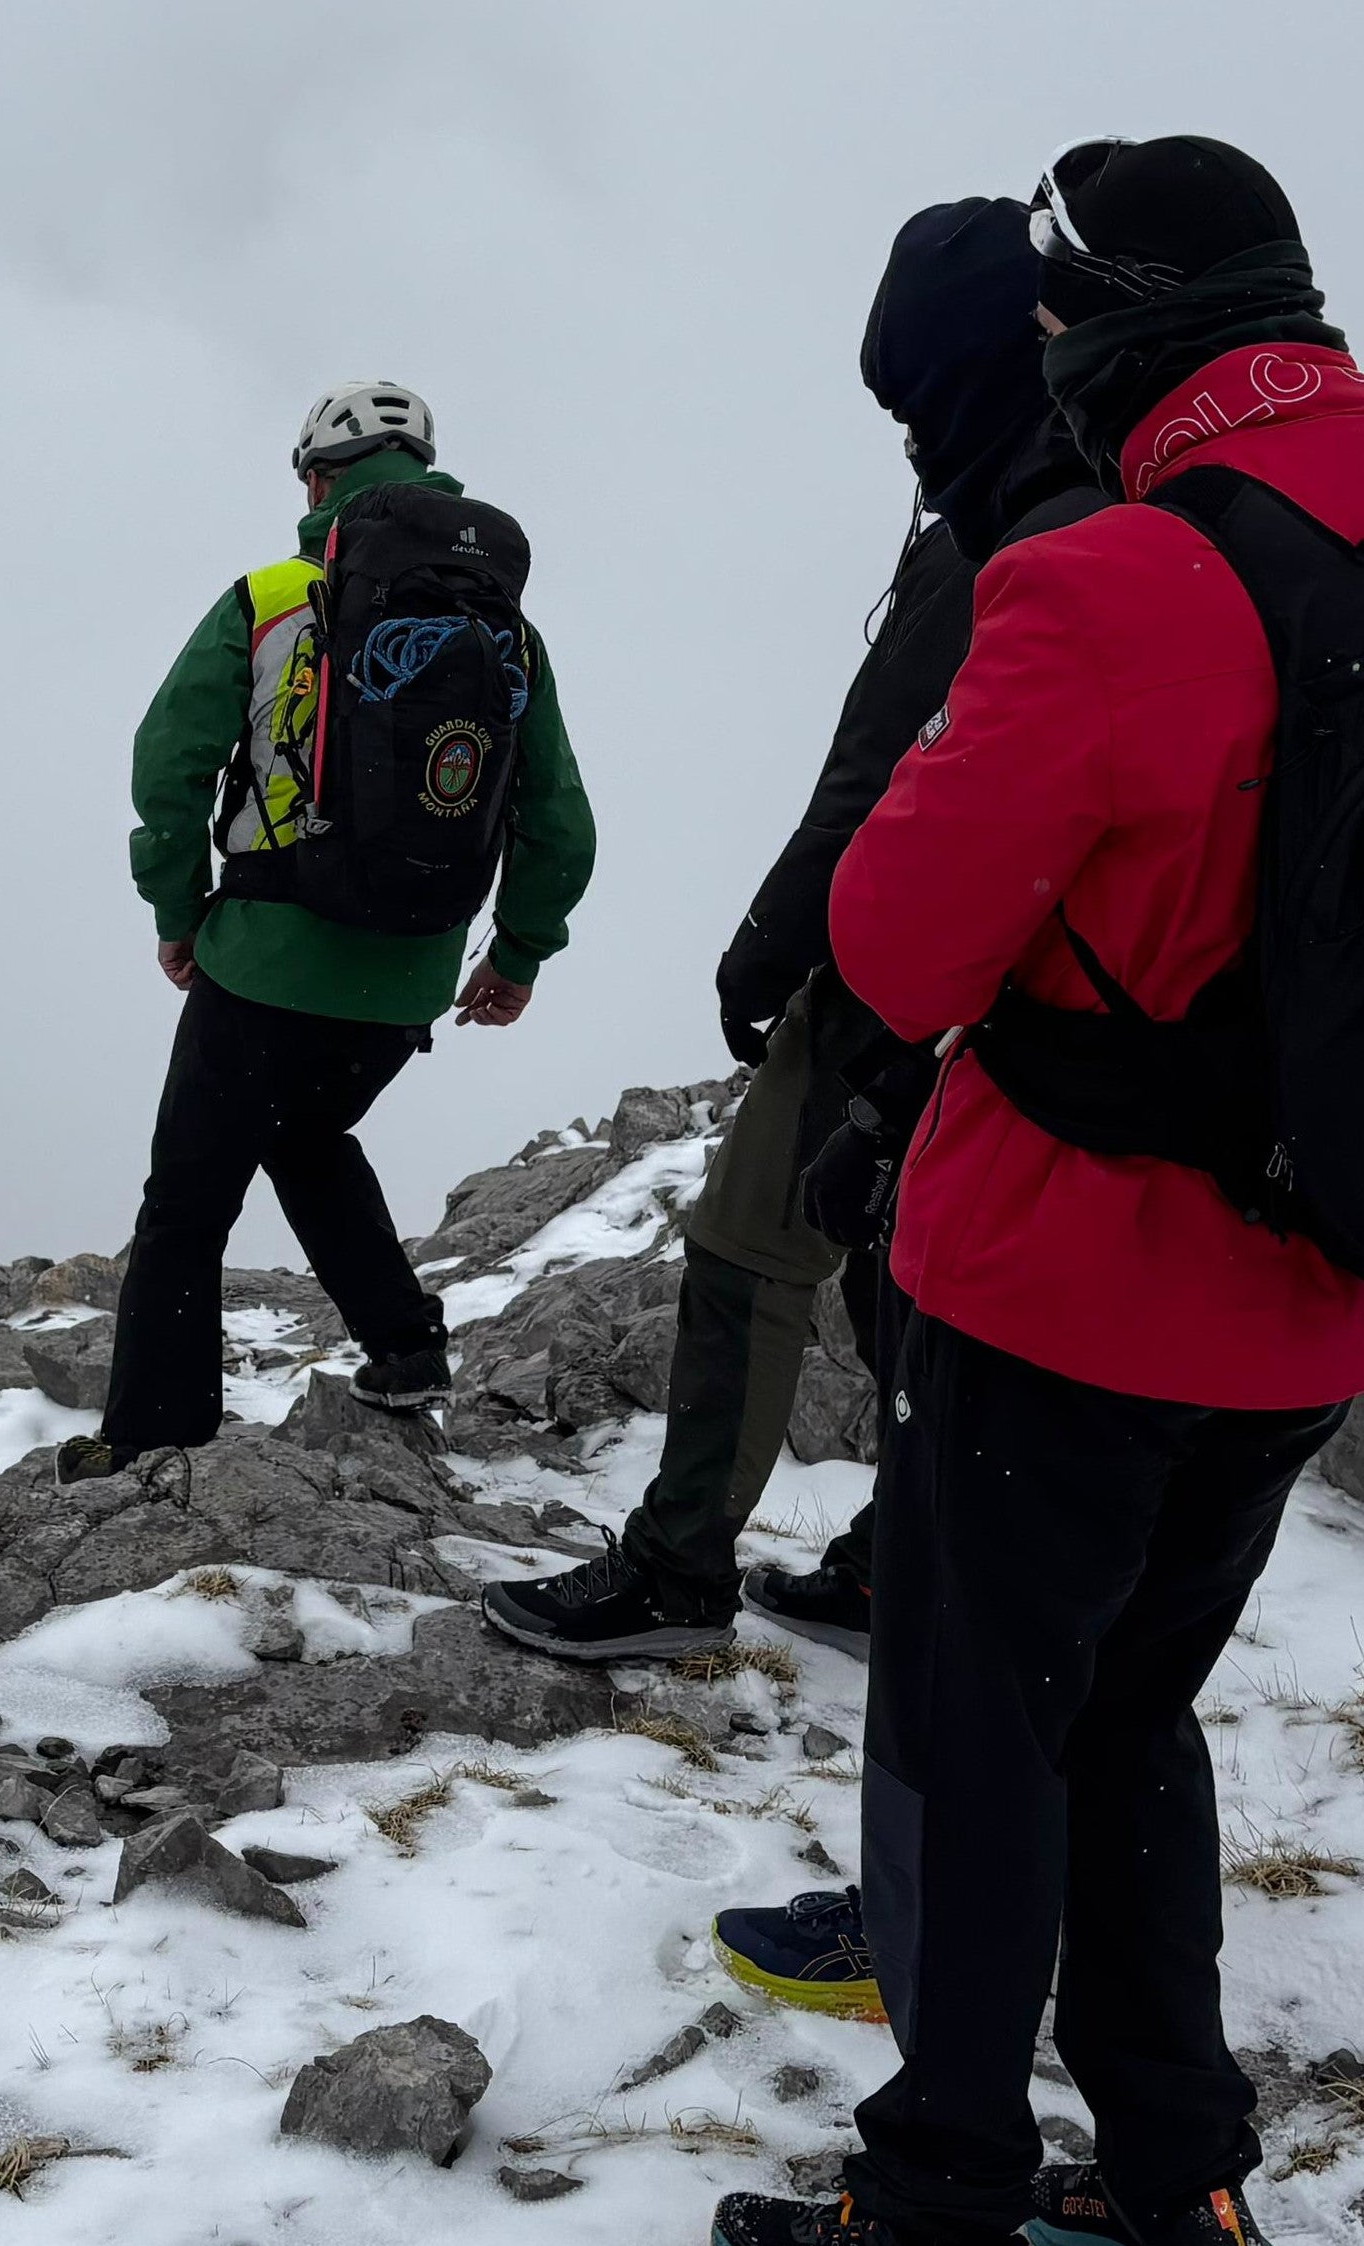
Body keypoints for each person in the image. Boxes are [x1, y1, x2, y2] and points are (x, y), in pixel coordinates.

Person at [703, 138, 1364, 2246]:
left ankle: (933, 2228)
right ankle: (1178, 2185)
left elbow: (897, 947)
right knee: (1130, 1711)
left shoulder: (1112, 583)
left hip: (1060, 1283)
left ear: (1107, 332)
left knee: (976, 1735)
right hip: (1324, 1289)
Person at [480, 200, 1100, 1665]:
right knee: (911, 1263)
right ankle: (904, 1553)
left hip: (910, 957)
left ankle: (678, 1566)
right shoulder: (1120, 502)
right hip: (1059, 974)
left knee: (752, 1243)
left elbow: (875, 783)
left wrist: (762, 953)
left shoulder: (993, 548)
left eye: (905, 395)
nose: (899, 436)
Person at [59, 383, 595, 1482]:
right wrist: (518, 953)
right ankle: (403, 1348)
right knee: (306, 1134)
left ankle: (154, 1438)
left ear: (316, 483)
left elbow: (167, 769)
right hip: (405, 979)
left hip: (261, 956)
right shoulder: (506, 629)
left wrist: (177, 914)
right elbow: (558, 818)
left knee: (186, 1203)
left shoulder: (266, 599)